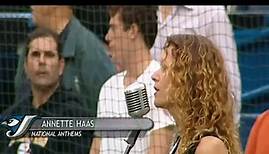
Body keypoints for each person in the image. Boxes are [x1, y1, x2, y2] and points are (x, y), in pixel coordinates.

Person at [91, 6, 175, 154]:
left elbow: (159, 149)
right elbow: (96, 147)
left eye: (113, 28)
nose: (107, 36)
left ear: (132, 30)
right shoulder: (108, 87)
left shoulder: (160, 85)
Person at [0, 28, 91, 154]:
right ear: (25, 66)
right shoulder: (12, 116)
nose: (42, 61)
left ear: (61, 66)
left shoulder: (75, 116)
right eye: (35, 54)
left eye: (49, 55)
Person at [15, 5, 116, 117]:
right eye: (36, 55)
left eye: (49, 55)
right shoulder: (29, 47)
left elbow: (111, 117)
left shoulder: (91, 52)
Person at [151, 34, 242, 154]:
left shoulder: (208, 147)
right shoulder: (181, 139)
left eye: (164, 68)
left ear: (187, 80)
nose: (154, 76)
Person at [151, 5, 241, 124]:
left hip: (202, 127)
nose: (154, 75)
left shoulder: (211, 12)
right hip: (157, 124)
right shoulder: (143, 12)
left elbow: (228, 80)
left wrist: (224, 135)